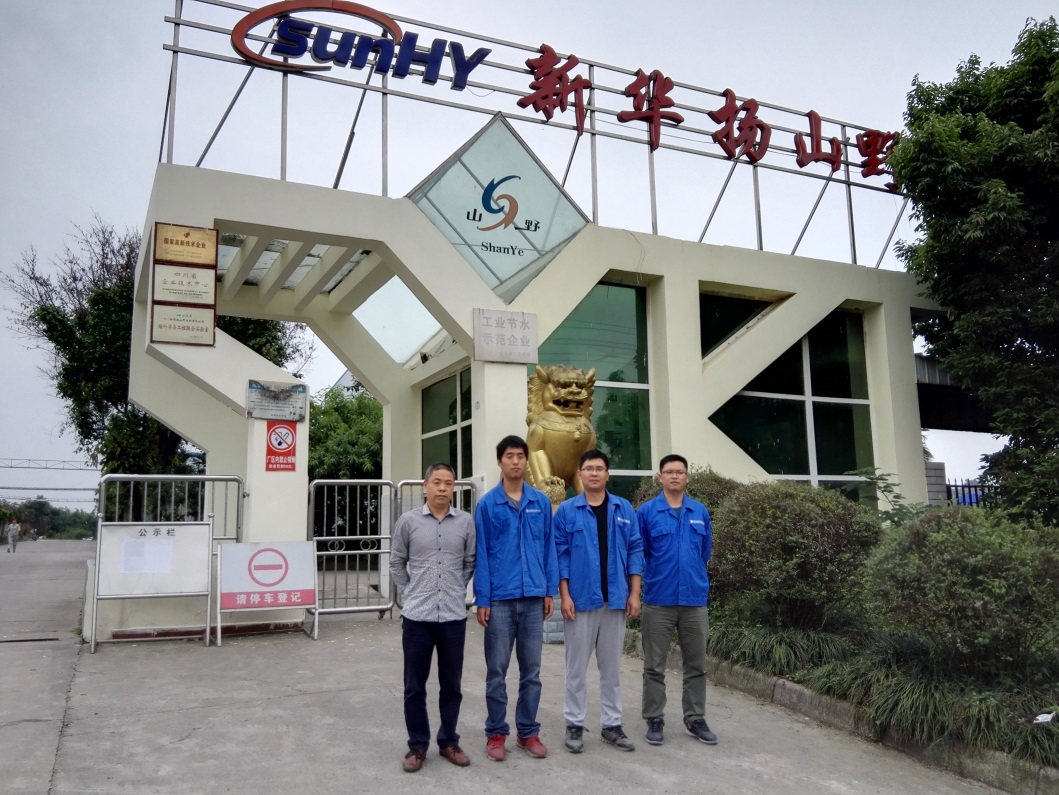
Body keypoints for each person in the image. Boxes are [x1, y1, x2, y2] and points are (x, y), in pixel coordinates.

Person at [473, 435, 558, 761]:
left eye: (521, 456)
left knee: (531, 672)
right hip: (500, 600)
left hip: (534, 598)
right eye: (509, 456)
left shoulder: (540, 503)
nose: (516, 461)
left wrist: (548, 590)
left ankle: (528, 732)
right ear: (500, 462)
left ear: (526, 461)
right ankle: (496, 733)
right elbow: (481, 554)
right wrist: (483, 598)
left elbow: (548, 548)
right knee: (497, 671)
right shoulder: (487, 505)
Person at [554, 450, 644, 754]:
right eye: (589, 468)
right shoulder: (567, 511)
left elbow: (635, 550)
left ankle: (612, 724)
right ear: (579, 474)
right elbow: (560, 555)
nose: (594, 473)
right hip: (580, 601)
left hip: (615, 600)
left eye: (599, 468)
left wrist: (634, 593)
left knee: (612, 669)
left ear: (607, 474)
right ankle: (574, 724)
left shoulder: (624, 508)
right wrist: (565, 595)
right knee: (576, 669)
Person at [390, 463, 476, 773]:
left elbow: (469, 563)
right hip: (417, 618)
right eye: (436, 482)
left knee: (451, 685)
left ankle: (449, 741)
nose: (442, 488)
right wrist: (411, 592)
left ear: (454, 488)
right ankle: (417, 745)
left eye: (448, 483)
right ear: (425, 486)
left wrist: (454, 590)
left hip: (452, 616)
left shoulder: (465, 522)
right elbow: (397, 563)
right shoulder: (408, 522)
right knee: (414, 686)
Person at [637, 454, 717, 746]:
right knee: (654, 666)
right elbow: (640, 552)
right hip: (659, 599)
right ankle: (654, 719)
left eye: (679, 472)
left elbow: (704, 551)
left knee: (696, 665)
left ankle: (695, 718)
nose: (674, 476)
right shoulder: (647, 512)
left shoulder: (699, 511)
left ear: (687, 477)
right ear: (660, 477)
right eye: (669, 472)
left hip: (694, 600)